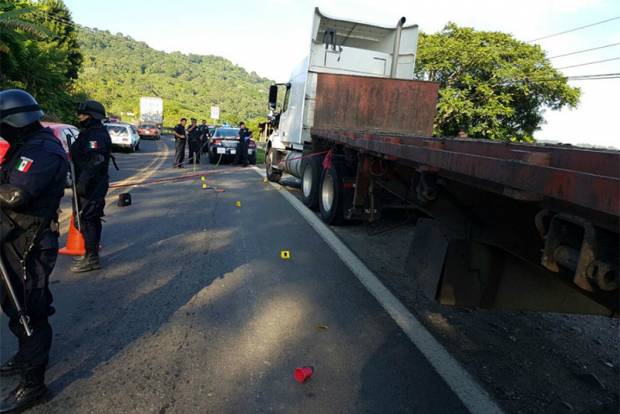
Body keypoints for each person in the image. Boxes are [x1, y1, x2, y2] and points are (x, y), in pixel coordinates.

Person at [0, 89, 68, 412]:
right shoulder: (24, 145)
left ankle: (34, 385)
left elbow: (16, 196)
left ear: (15, 120)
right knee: (14, 305)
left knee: (30, 310)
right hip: (12, 240)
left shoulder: (43, 150)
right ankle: (25, 356)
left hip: (31, 244)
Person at [70, 100, 112, 273]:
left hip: (92, 184)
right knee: (84, 218)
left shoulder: (96, 135)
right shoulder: (88, 132)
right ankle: (89, 252)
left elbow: (97, 160)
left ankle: (92, 257)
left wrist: (83, 182)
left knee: (89, 218)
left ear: (92, 116)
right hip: (85, 182)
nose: (80, 117)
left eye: (83, 114)